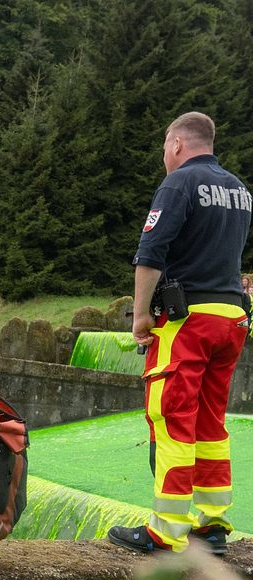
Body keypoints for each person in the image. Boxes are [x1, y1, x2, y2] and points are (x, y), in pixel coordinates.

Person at [107, 112, 252, 556]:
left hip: (188, 321)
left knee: (171, 419)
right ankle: (212, 526)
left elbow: (150, 253)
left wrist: (139, 317)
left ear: (175, 145)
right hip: (232, 320)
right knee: (211, 424)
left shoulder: (179, 184)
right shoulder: (240, 191)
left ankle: (165, 530)